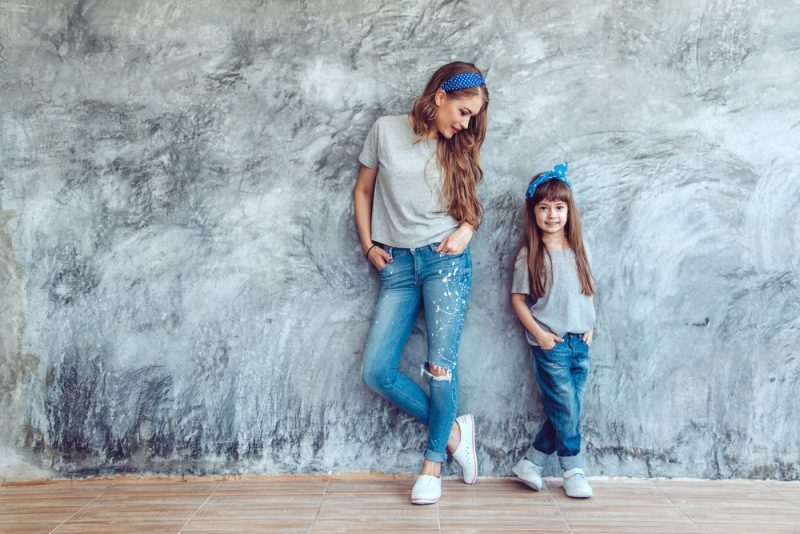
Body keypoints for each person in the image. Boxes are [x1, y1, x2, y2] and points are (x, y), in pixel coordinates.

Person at [353, 62, 489, 504]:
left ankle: (433, 464)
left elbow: (471, 206)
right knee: (377, 371)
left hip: (444, 263)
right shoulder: (386, 131)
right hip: (395, 267)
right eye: (464, 112)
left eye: (473, 117)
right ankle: (453, 432)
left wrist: (467, 229)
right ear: (440, 97)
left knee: (440, 367)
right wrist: (368, 244)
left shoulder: (459, 146)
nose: (466, 122)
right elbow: (363, 191)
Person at [509, 162, 596, 498]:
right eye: (544, 208)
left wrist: (591, 325)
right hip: (552, 344)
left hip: (580, 343)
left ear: (568, 211)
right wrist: (541, 335)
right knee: (567, 408)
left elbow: (588, 289)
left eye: (559, 208)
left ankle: (531, 462)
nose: (552, 215)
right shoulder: (530, 255)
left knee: (567, 409)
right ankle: (573, 468)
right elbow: (517, 300)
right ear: (533, 213)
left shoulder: (580, 249)